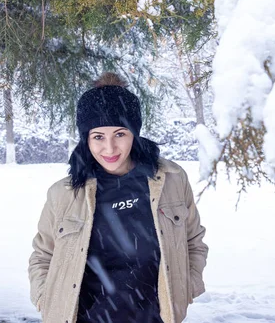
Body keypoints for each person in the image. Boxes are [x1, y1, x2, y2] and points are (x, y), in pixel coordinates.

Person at [28, 72, 208, 323]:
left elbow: (193, 240)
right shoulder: (64, 193)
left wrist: (188, 285)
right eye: (98, 137)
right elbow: (43, 255)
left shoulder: (171, 179)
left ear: (134, 134)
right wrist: (44, 297)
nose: (110, 148)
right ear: (86, 139)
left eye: (120, 134)